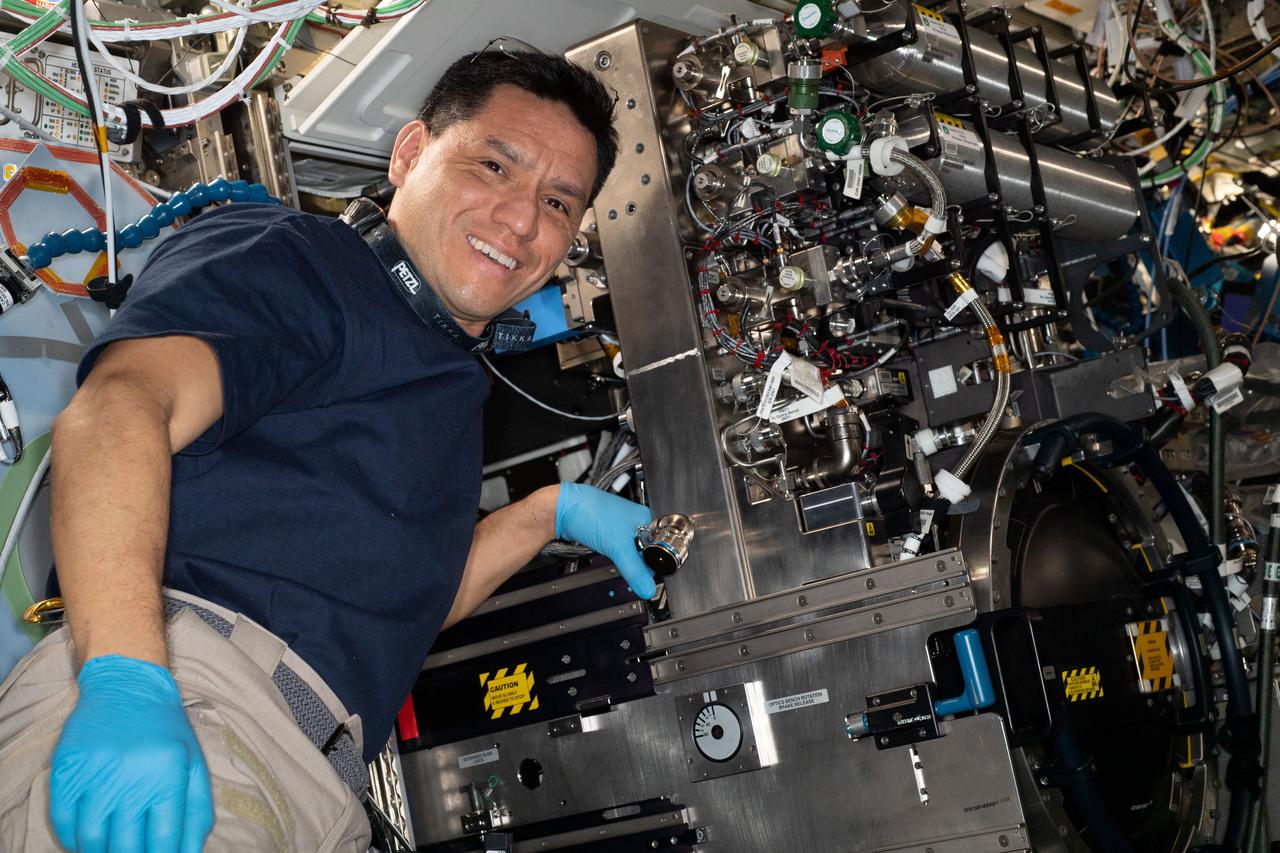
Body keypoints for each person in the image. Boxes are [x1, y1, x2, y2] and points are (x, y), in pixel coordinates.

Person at [0, 47, 657, 853]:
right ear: (410, 154)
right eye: (494, 165)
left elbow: (396, 606)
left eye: (558, 203)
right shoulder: (304, 262)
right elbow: (117, 412)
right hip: (194, 713)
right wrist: (128, 682)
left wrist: (547, 514)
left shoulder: (446, 378)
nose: (521, 220)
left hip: (315, 786)